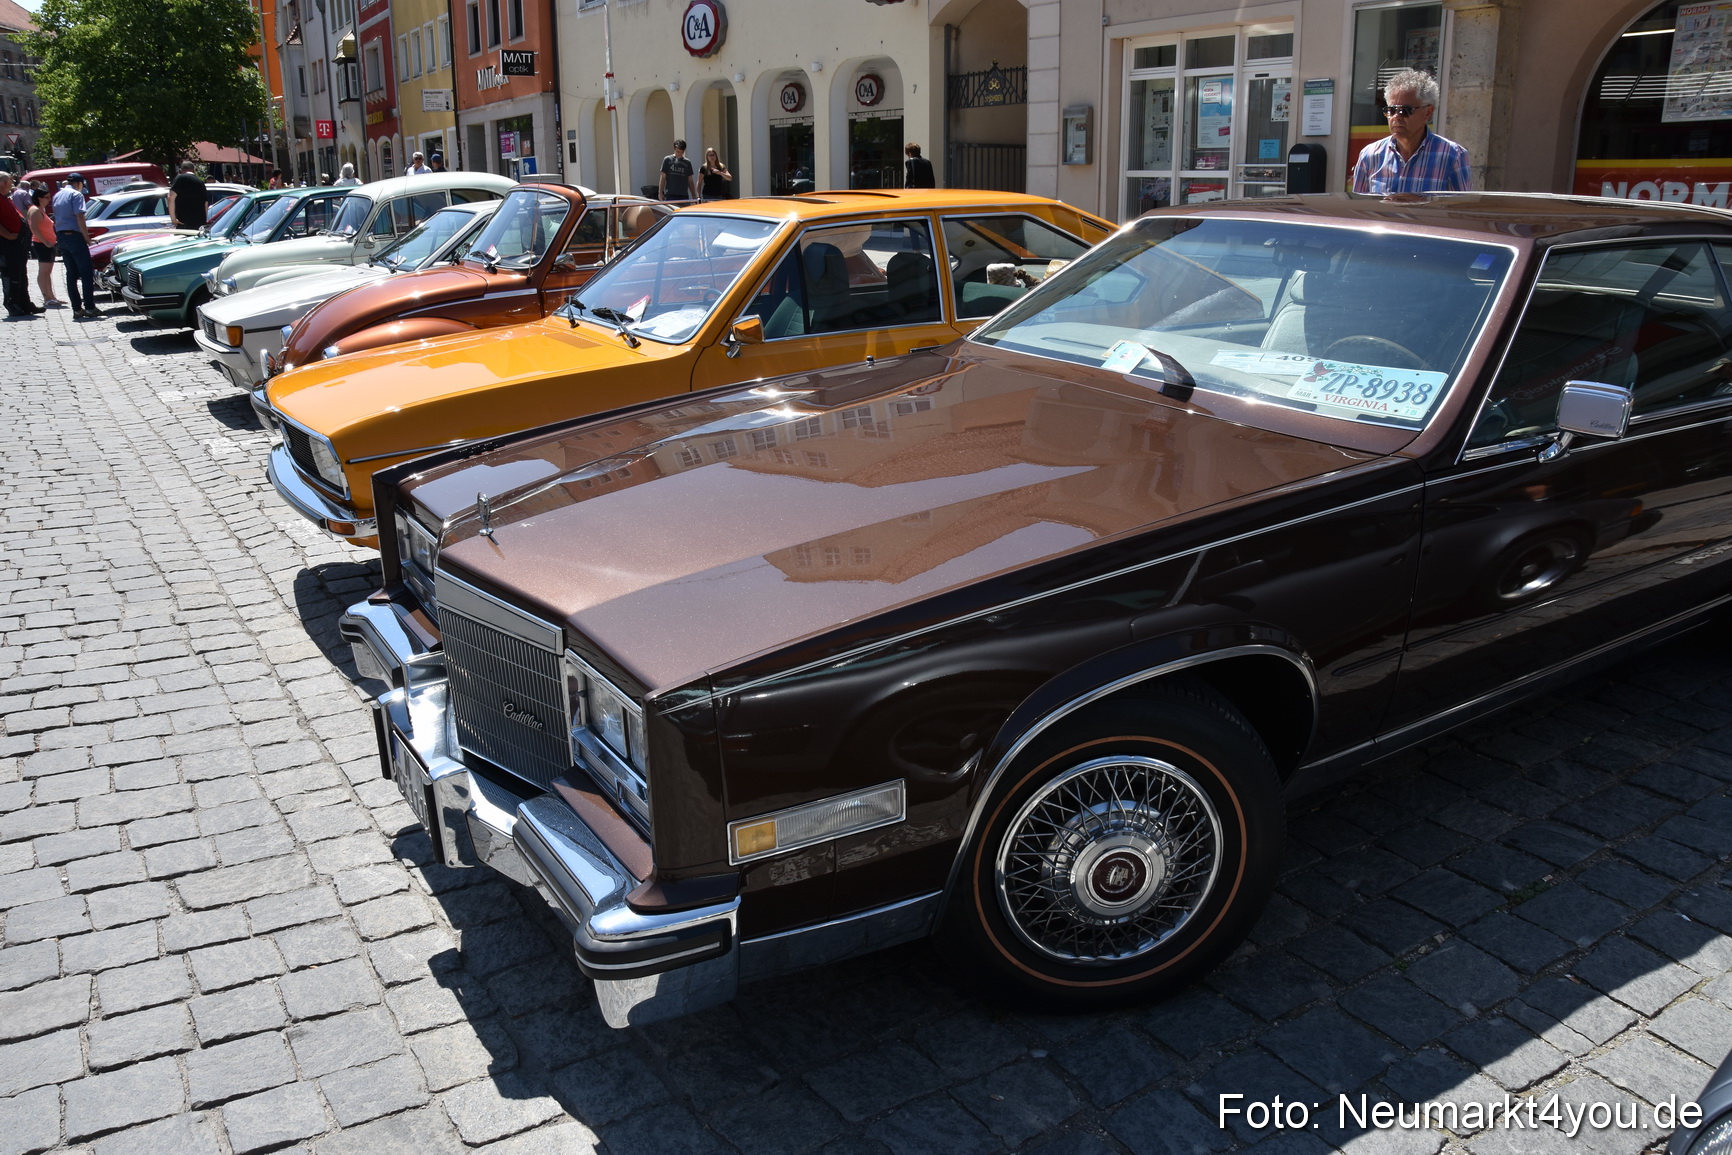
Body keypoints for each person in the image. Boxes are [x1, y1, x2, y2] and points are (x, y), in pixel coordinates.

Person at [1351, 69, 1471, 195]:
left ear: (1428, 112)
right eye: (1391, 110)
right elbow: (1359, 210)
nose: (1396, 117)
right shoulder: (1369, 156)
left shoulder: (1453, 156)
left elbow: (1459, 210)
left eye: (1404, 110)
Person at [52, 172, 98, 319]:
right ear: (79, 183)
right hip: (74, 236)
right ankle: (90, 307)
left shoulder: (57, 195)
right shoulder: (76, 195)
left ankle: (77, 309)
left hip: (61, 236)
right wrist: (87, 238)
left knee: (71, 275)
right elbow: (80, 216)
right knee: (86, 273)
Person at [0, 171, 41, 317]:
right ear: (3, 183)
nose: (12, 184)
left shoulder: (5, 198)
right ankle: (13, 303)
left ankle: (24, 303)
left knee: (21, 274)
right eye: (10, 181)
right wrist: (8, 234)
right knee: (12, 275)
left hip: (18, 243)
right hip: (8, 244)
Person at [27, 186, 63, 307]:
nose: (49, 200)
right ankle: (47, 297)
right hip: (41, 244)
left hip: (48, 244)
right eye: (46, 197)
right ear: (39, 198)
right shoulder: (35, 211)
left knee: (48, 272)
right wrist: (45, 241)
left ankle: (51, 296)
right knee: (44, 272)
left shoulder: (40, 209)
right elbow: (34, 228)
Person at [167, 160, 208, 231]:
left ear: (180, 170)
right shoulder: (200, 182)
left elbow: (170, 198)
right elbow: (205, 203)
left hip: (183, 223)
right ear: (194, 170)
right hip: (199, 224)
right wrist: (204, 220)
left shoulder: (180, 178)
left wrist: (173, 219)